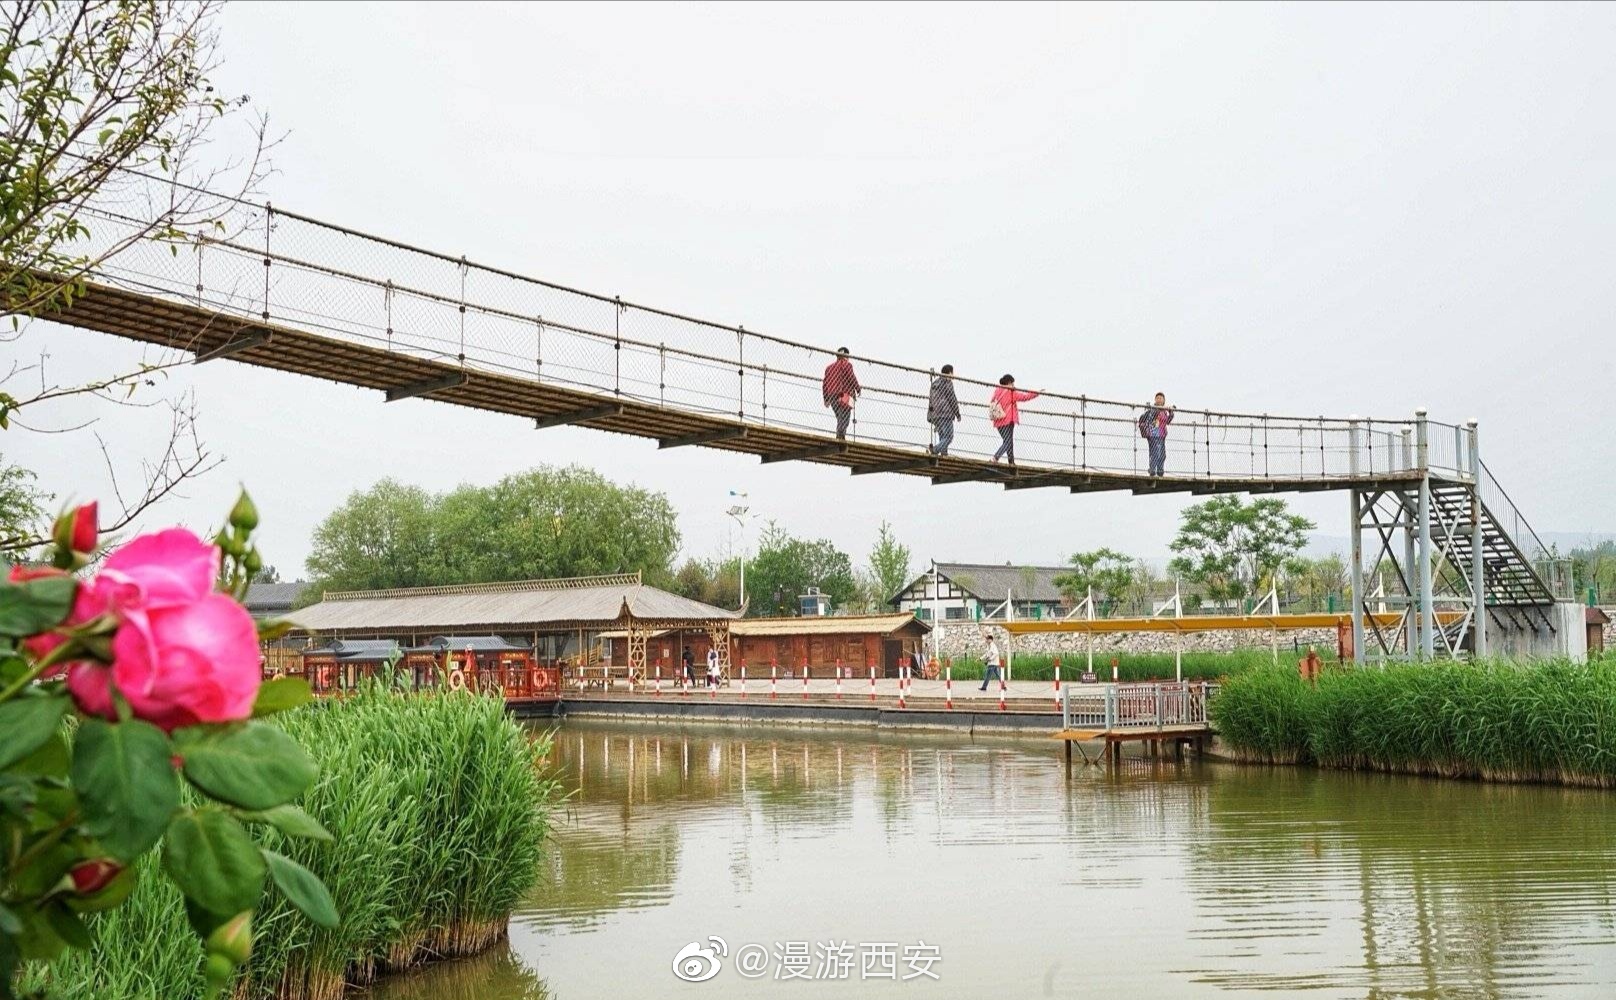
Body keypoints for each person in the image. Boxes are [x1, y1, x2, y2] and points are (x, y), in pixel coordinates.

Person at [989, 374, 1039, 466]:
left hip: (997, 420)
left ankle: (1011, 461)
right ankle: (995, 457)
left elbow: (992, 402)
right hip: (1008, 420)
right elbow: (1024, 397)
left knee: (1007, 441)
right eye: (1013, 383)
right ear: (1009, 383)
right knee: (1008, 442)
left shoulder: (997, 390)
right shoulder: (1011, 392)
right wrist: (1036, 393)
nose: (1014, 385)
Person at [822, 347, 861, 440]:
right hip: (844, 394)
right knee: (845, 417)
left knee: (840, 416)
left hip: (831, 395)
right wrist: (858, 388)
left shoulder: (829, 368)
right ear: (847, 355)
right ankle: (840, 436)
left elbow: (825, 384)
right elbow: (851, 376)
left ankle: (840, 435)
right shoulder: (846, 364)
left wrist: (826, 398)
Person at [1136, 392, 1175, 477]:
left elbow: (1167, 421)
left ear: (1164, 400)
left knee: (1162, 454)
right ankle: (1152, 470)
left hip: (1161, 435)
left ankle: (1160, 470)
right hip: (1153, 434)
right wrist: (1159, 410)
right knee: (1154, 453)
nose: (1159, 399)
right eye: (1157, 398)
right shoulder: (1152, 409)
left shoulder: (1164, 412)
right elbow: (1151, 418)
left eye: (1161, 398)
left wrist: (1171, 412)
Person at [927, 364, 961, 456]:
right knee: (949, 437)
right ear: (949, 373)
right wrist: (957, 414)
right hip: (945, 413)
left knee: (943, 436)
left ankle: (944, 453)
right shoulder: (947, 382)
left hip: (934, 414)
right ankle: (935, 449)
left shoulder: (935, 383)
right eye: (952, 372)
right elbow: (952, 399)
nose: (953, 375)